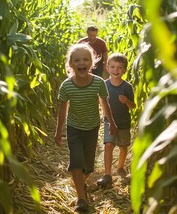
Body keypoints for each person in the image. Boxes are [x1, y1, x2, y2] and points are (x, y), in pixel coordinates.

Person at [54, 43, 118, 212]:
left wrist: (111, 122)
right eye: (77, 60)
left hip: (92, 128)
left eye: (85, 59)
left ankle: (80, 185)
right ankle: (81, 198)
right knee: (76, 160)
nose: (81, 63)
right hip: (74, 127)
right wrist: (58, 131)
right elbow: (63, 108)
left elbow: (105, 103)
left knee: (88, 166)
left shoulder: (98, 83)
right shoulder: (66, 86)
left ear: (92, 63)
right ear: (70, 63)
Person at [96, 53, 136, 187]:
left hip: (124, 123)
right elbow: (99, 101)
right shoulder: (104, 85)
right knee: (108, 145)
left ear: (124, 70)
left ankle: (120, 167)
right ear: (107, 68)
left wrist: (127, 101)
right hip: (109, 121)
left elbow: (133, 106)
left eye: (120, 67)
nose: (116, 70)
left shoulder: (127, 87)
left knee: (123, 147)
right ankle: (107, 174)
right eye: (112, 67)